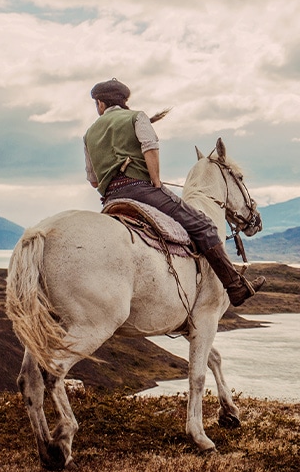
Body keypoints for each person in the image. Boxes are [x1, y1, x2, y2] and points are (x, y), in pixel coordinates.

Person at [83, 78, 264, 306]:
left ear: (100, 103)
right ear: (123, 100)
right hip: (142, 191)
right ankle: (236, 287)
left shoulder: (89, 134)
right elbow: (150, 147)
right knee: (204, 226)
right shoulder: (136, 117)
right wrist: (155, 181)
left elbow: (93, 180)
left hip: (111, 198)